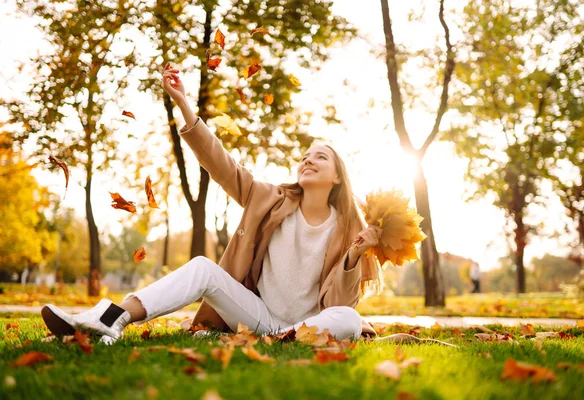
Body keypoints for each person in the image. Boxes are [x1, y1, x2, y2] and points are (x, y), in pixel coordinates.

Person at [41, 63, 382, 345]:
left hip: (308, 328)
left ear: (337, 177)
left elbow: (337, 306)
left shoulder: (349, 228)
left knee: (349, 319)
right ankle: (112, 317)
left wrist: (353, 255)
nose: (308, 161)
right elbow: (221, 164)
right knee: (204, 267)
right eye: (305, 157)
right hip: (259, 318)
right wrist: (185, 105)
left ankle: (288, 340)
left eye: (320, 157)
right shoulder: (268, 198)